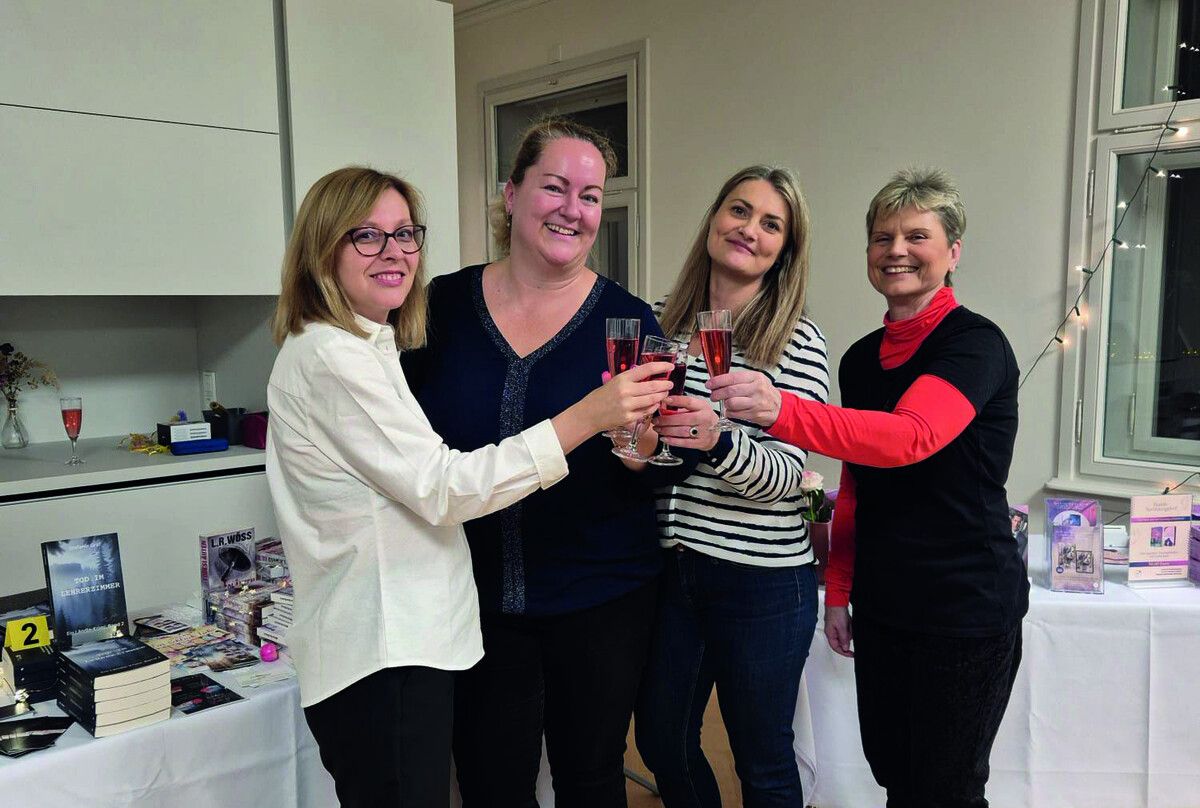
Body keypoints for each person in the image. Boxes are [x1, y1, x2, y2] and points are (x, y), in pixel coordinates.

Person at [264, 166, 672, 808]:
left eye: (405, 234)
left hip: (432, 635)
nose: (393, 252)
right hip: (386, 645)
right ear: (323, 248)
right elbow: (445, 485)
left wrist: (640, 438)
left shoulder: (370, 344)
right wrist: (586, 416)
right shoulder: (333, 357)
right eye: (366, 236)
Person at [400, 118, 705, 807]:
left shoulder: (629, 325)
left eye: (591, 195)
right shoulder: (435, 309)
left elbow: (672, 457)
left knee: (590, 776)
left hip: (603, 600)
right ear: (510, 194)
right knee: (488, 779)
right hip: (470, 598)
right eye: (554, 187)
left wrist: (647, 450)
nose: (573, 209)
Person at [709, 167, 1028, 808]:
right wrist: (840, 589)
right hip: (886, 606)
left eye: (917, 235)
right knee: (893, 773)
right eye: (881, 238)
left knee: (943, 790)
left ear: (953, 251)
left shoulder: (975, 345)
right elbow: (859, 481)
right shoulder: (858, 358)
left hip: (963, 608)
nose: (896, 251)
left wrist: (780, 411)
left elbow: (908, 437)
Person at [633, 165, 830, 807]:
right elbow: (665, 462)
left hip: (764, 580)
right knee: (662, 739)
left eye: (771, 224)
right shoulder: (666, 324)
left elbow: (789, 483)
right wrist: (647, 446)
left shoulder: (797, 341)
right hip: (678, 570)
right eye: (740, 211)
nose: (749, 230)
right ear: (714, 216)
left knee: (763, 760)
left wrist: (718, 438)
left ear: (785, 249)